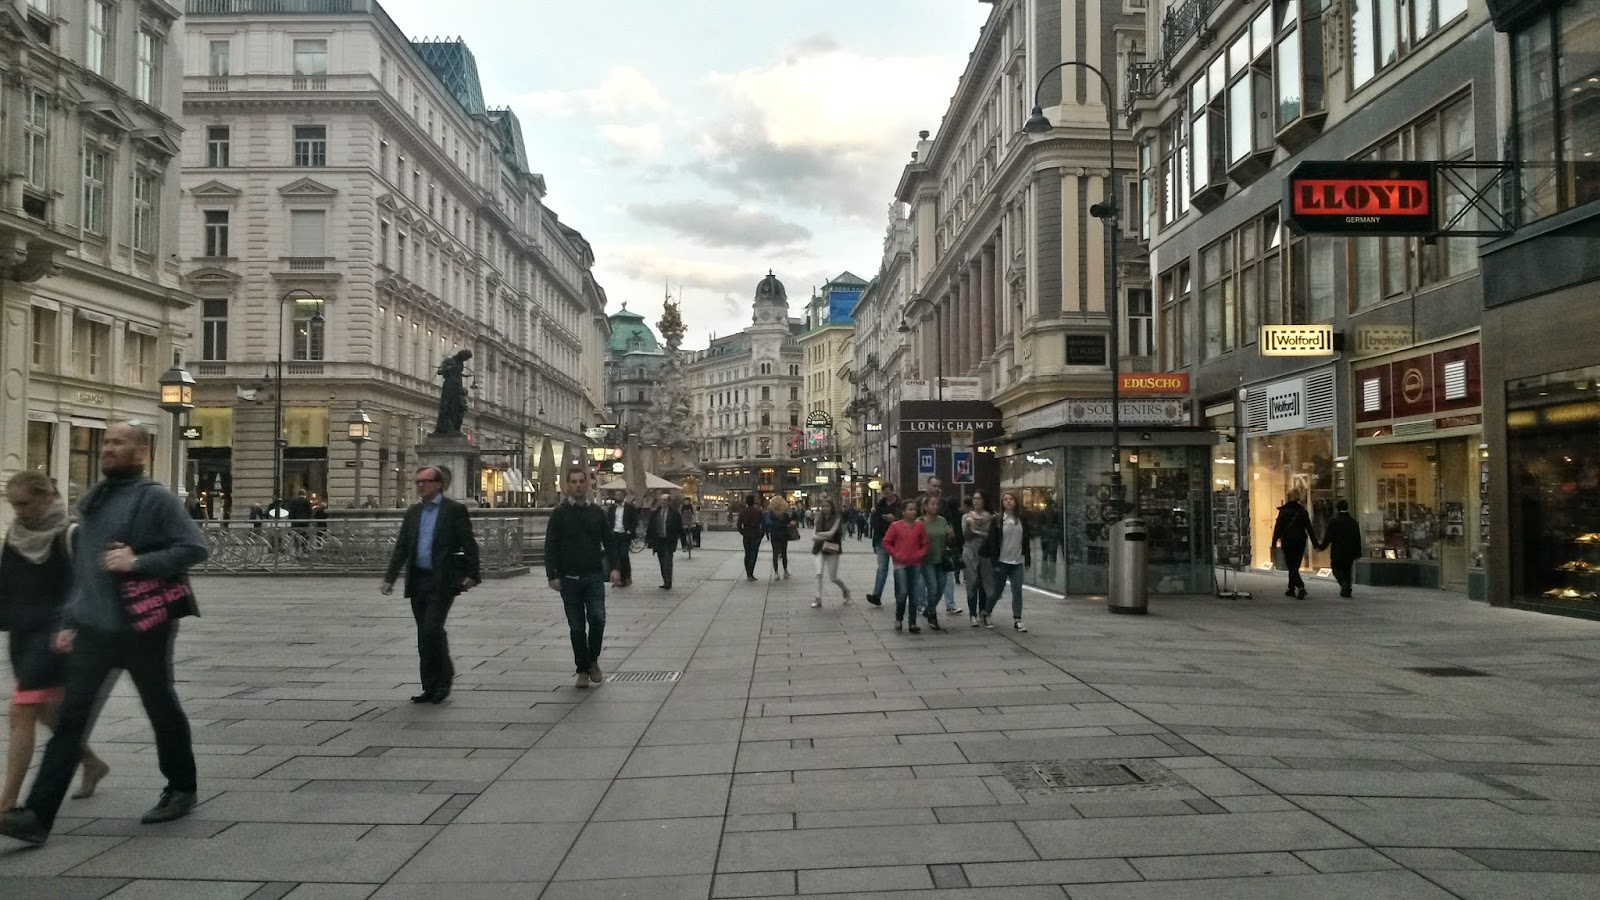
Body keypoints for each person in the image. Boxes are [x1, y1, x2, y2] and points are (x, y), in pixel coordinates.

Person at [0, 422, 208, 845]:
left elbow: (195, 547)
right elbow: (86, 573)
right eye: (107, 442)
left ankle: (181, 787)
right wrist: (70, 621)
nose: (109, 449)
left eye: (119, 443)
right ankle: (37, 817)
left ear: (141, 452)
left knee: (160, 706)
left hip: (143, 627)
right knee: (72, 721)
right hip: (94, 629)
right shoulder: (94, 500)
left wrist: (138, 562)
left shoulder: (155, 498)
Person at [0, 472, 111, 813]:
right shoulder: (15, 534)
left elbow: (89, 585)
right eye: (13, 503)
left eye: (25, 502)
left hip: (56, 636)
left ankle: (8, 801)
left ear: (47, 497)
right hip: (22, 633)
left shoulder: (71, 534)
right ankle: (90, 761)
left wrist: (75, 625)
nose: (19, 511)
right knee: (45, 710)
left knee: (21, 709)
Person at [381, 466, 480, 704]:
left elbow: (469, 543)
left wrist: (472, 574)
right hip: (418, 579)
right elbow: (402, 547)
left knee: (431, 630)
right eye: (418, 482)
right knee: (425, 635)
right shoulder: (413, 513)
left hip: (442, 580)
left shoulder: (454, 510)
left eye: (425, 481)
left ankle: (443, 681)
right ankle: (429, 686)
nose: (420, 486)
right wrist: (390, 578)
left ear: (438, 484)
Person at [545, 467, 619, 688]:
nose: (578, 485)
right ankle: (582, 670)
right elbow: (551, 546)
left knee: (598, 619)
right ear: (568, 485)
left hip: (593, 575)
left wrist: (615, 568)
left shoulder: (597, 512)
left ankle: (592, 659)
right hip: (569, 578)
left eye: (581, 481)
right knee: (576, 627)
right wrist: (552, 575)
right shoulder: (559, 513)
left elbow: (609, 541)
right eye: (573, 482)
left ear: (587, 485)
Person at [983, 491, 1032, 630]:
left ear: (1015, 501)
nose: (1008, 501)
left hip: (1017, 561)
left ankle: (1018, 619)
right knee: (998, 591)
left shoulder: (1021, 519)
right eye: (1005, 499)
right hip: (1001, 560)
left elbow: (1026, 540)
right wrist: (994, 562)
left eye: (1011, 499)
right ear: (1002, 503)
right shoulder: (997, 520)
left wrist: (1027, 558)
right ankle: (987, 612)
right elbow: (992, 542)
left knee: (1017, 590)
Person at [882, 499, 928, 633]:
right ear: (903, 512)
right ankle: (899, 617)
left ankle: (912, 623)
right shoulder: (895, 526)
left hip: (915, 563)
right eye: (910, 509)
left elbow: (926, 542)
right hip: (900, 564)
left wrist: (920, 553)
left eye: (914, 509)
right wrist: (895, 554)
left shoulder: (919, 526)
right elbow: (886, 542)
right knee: (902, 592)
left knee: (914, 594)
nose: (913, 511)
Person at [924, 477, 962, 613]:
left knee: (947, 576)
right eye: (934, 485)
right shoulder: (921, 502)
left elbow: (949, 520)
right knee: (927, 581)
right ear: (927, 486)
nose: (937, 488)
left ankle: (950, 604)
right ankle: (923, 605)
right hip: (926, 549)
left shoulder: (943, 503)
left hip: (943, 546)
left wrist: (951, 533)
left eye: (939, 486)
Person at [1272, 487, 1317, 600]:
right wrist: (1316, 544)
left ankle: (1301, 587)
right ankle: (1291, 588)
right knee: (1295, 565)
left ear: (1288, 497)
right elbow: (1309, 528)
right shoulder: (1302, 511)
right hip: (1300, 541)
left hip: (1287, 541)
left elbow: (1278, 528)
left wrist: (1274, 542)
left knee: (1291, 566)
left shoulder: (1284, 511)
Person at [918, 494, 955, 631]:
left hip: (941, 559)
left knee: (940, 587)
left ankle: (929, 609)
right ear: (926, 506)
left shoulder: (942, 520)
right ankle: (932, 614)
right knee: (932, 587)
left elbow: (950, 542)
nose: (935, 507)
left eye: (937, 504)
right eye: (932, 504)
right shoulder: (920, 522)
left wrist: (951, 535)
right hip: (926, 560)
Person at [809, 496, 852, 608]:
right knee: (818, 573)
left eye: (827, 506)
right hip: (819, 548)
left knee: (833, 577)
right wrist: (824, 535)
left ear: (832, 507)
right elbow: (813, 537)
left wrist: (820, 534)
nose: (825, 508)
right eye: (823, 506)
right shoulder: (818, 518)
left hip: (832, 549)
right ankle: (818, 598)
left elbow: (831, 534)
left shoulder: (837, 518)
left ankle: (845, 590)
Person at [962, 491, 997, 627]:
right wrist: (971, 527)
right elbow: (966, 536)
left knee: (985, 583)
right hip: (970, 552)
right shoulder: (966, 517)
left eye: (979, 499)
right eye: (974, 498)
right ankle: (972, 614)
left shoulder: (991, 518)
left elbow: (991, 536)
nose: (976, 501)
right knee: (971, 582)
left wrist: (979, 532)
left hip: (985, 553)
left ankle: (983, 611)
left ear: (984, 501)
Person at [1317, 499, 1362, 598]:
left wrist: (1321, 547)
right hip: (1350, 551)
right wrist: (1358, 552)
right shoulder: (1353, 522)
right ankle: (1347, 588)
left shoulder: (1334, 521)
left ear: (1337, 508)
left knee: (1336, 568)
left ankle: (1344, 585)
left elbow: (1328, 537)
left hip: (1337, 551)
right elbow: (1357, 538)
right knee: (1347, 570)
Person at [866, 484, 899, 606]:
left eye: (888, 493)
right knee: (882, 568)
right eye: (884, 493)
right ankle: (876, 595)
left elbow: (906, 520)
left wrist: (895, 520)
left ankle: (900, 595)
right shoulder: (879, 506)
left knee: (898, 569)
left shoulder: (900, 505)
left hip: (897, 540)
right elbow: (874, 525)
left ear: (893, 491)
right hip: (882, 539)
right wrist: (874, 543)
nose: (886, 495)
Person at [644, 491, 682, 590]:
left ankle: (668, 581)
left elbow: (680, 528)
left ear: (669, 502)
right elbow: (651, 527)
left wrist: (684, 542)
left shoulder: (674, 514)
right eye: (661, 500)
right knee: (661, 561)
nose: (662, 502)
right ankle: (665, 579)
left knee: (667, 561)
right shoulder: (655, 513)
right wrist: (648, 539)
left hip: (669, 541)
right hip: (658, 541)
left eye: (665, 500)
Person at [604, 491, 638, 588]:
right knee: (615, 555)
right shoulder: (612, 508)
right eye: (616, 495)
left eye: (619, 495)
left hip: (625, 534)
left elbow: (634, 520)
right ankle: (617, 578)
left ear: (623, 497)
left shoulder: (629, 507)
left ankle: (626, 576)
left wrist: (630, 531)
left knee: (623, 554)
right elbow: (608, 520)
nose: (616, 497)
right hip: (614, 534)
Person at [737, 494, 765, 581]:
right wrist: (762, 534)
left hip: (746, 534)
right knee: (754, 553)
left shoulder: (742, 512)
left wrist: (742, 532)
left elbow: (738, 525)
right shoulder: (758, 512)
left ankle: (748, 572)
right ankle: (751, 572)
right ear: (753, 502)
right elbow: (763, 524)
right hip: (756, 534)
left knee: (747, 553)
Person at [766, 495, 794, 579]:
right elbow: (790, 521)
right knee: (784, 553)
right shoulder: (785, 514)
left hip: (774, 534)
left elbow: (768, 523)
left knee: (775, 553)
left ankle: (776, 573)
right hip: (783, 534)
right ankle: (785, 571)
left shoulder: (771, 513)